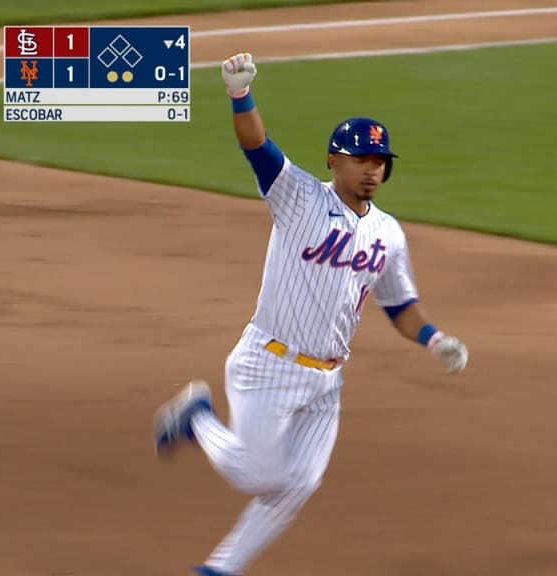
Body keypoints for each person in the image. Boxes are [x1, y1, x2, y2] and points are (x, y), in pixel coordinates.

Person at [152, 52, 469, 576]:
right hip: (267, 364)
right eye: (360, 159)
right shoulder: (297, 195)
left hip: (327, 382)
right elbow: (257, 146)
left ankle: (219, 570)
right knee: (256, 477)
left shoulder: (388, 233)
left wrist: (435, 339)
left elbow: (400, 304)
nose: (372, 169)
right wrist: (239, 95)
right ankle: (196, 416)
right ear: (333, 161)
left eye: (379, 161)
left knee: (297, 483)